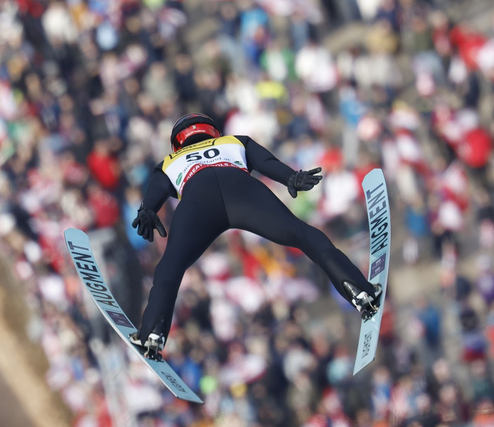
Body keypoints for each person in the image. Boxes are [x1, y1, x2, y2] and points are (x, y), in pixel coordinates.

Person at [129, 113, 381, 357]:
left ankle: (152, 333)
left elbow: (156, 192)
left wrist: (147, 210)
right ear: (213, 131)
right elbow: (266, 163)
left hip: (198, 201)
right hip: (243, 192)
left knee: (169, 270)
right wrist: (290, 178)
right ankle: (358, 290)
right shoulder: (234, 141)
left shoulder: (169, 161)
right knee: (305, 236)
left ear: (177, 142)